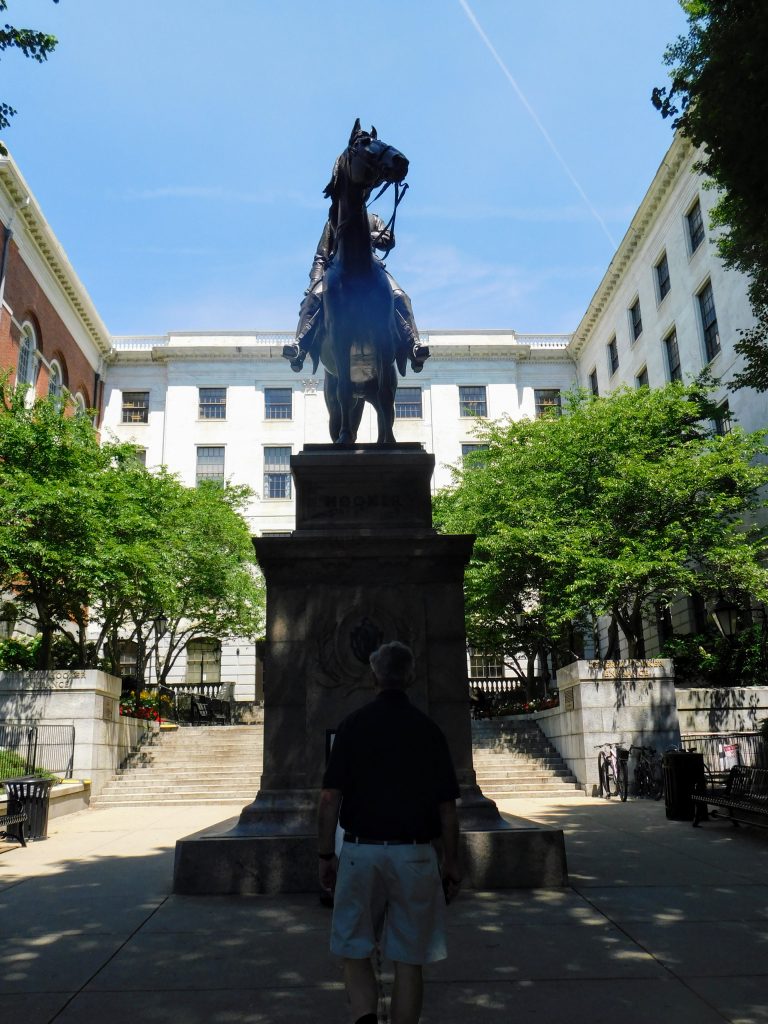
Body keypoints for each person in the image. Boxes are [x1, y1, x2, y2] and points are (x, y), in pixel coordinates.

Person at [317, 641, 461, 1024]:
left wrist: (324, 855)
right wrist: (451, 862)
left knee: (354, 948)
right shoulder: (429, 731)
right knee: (410, 960)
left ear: (373, 677)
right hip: (414, 854)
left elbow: (330, 796)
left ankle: (365, 1017)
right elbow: (447, 808)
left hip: (360, 851)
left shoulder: (352, 726)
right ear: (410, 676)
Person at [282, 215, 430, 376]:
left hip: (371, 268)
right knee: (313, 298)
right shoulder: (333, 221)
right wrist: (314, 282)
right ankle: (299, 348)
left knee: (400, 297)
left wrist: (363, 235)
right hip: (337, 270)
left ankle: (413, 346)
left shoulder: (373, 219)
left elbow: (388, 240)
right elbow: (320, 256)